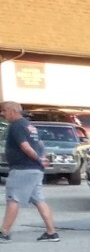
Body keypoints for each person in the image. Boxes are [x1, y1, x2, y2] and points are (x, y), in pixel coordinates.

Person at [1, 101, 60, 241]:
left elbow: (25, 147)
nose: (2, 114)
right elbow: (39, 144)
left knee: (13, 199)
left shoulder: (17, 126)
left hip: (23, 169)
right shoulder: (29, 126)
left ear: (13, 110)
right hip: (34, 170)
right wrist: (42, 160)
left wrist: (38, 159)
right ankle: (52, 233)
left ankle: (4, 232)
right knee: (39, 200)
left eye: (3, 110)